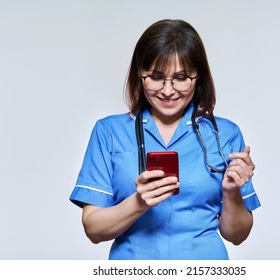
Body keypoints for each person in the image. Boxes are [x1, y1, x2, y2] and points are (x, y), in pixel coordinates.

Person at [69, 19, 261, 260]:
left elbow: (237, 235)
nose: (168, 91)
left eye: (181, 78)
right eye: (156, 77)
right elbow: (93, 230)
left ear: (197, 76)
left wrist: (232, 193)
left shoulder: (225, 133)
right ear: (139, 74)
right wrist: (139, 202)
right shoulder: (109, 132)